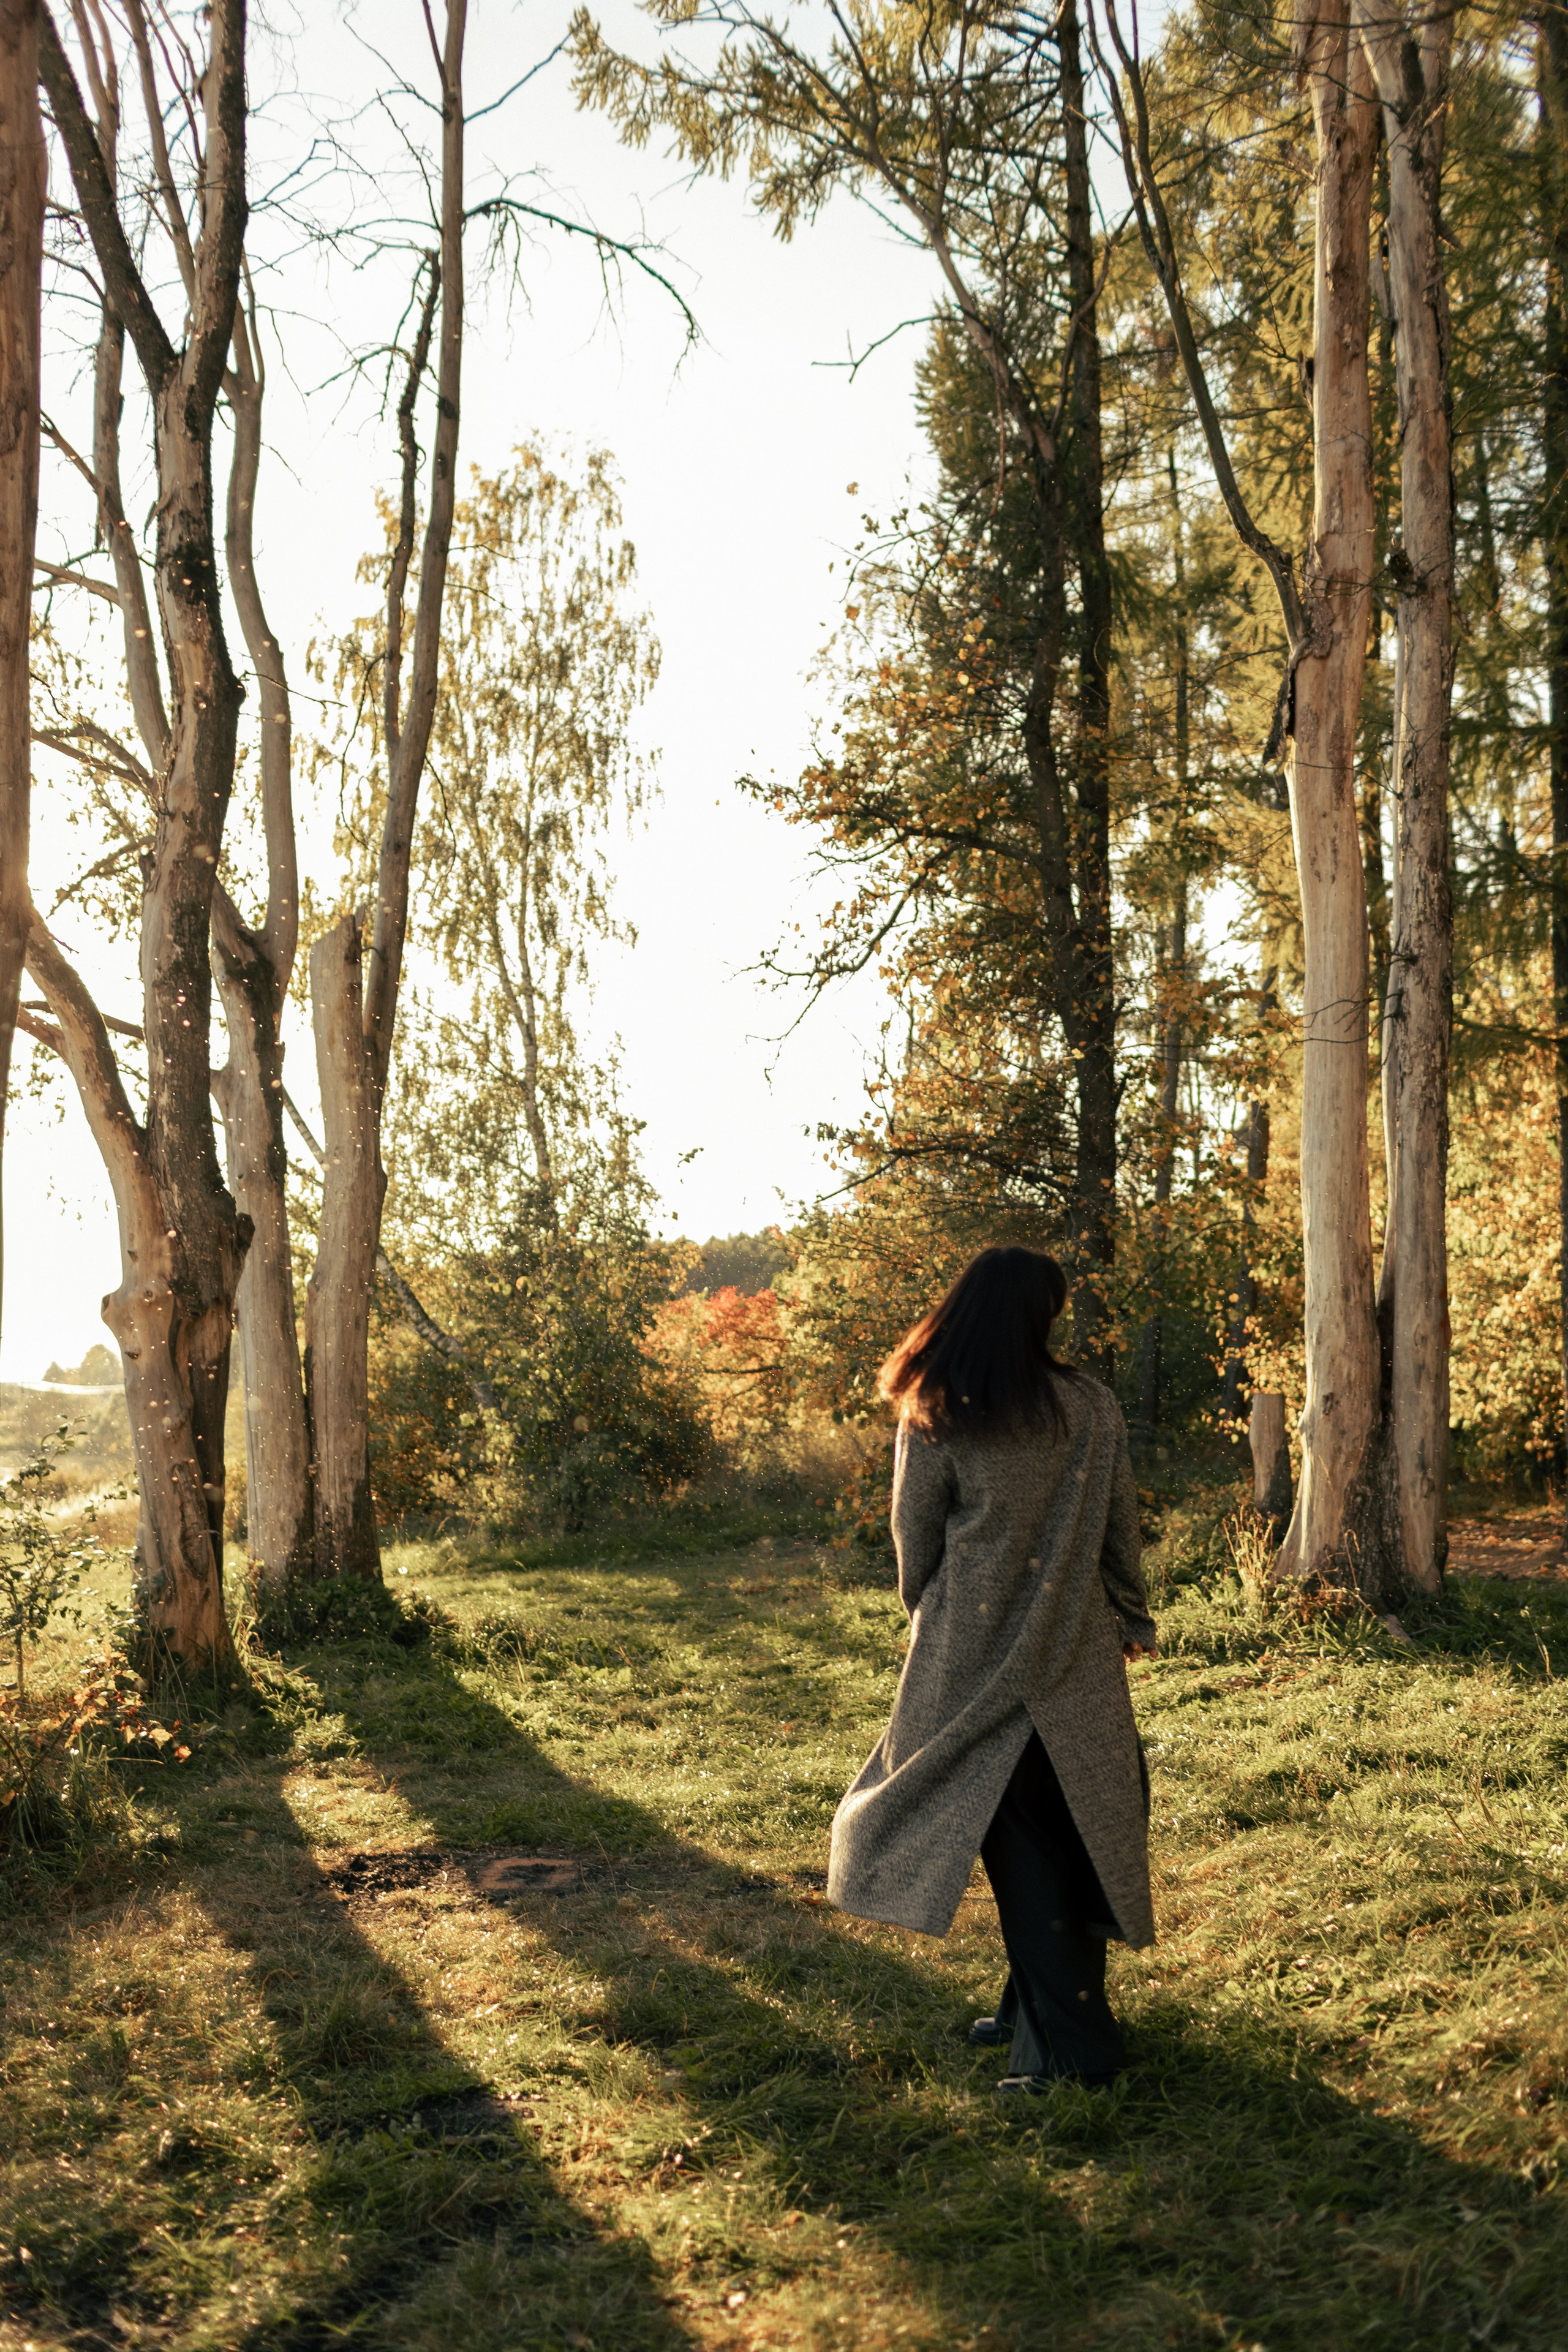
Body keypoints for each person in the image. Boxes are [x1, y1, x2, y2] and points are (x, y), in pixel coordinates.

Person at [825, 1245, 1157, 2093]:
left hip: (970, 1648)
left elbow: (915, 1542)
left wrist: (930, 1621)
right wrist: (1131, 1612)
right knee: (1066, 1824)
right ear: (1038, 1315)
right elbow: (1120, 1524)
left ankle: (1076, 2055)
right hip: (1075, 1647)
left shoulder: (939, 1406)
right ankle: (1030, 2009)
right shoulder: (1090, 1404)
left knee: (1029, 1844)